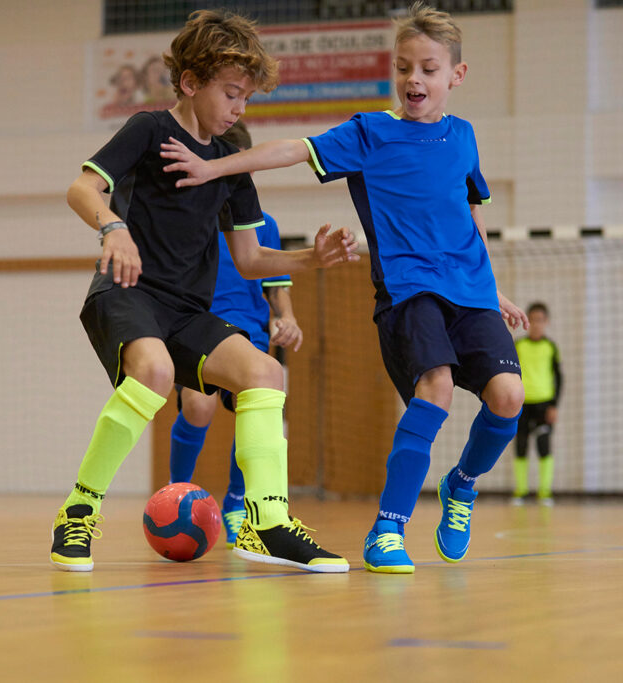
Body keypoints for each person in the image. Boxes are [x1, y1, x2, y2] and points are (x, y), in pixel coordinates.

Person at [160, 1, 528, 575]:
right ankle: (389, 529)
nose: (414, 79)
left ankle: (461, 485)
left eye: (428, 69)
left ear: (455, 76)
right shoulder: (370, 133)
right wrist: (216, 167)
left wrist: (494, 287)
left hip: (472, 290)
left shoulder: (464, 138)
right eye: (403, 67)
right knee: (436, 390)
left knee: (509, 398)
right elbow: (292, 150)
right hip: (409, 292)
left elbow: (471, 207)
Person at [56, 9, 358, 573]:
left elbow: (249, 259)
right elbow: (82, 188)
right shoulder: (148, 130)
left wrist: (311, 259)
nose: (240, 108)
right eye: (232, 93)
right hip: (127, 291)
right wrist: (112, 227)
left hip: (186, 311)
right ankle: (79, 510)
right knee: (154, 372)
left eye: (246, 97)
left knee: (267, 373)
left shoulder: (230, 165)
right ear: (191, 83)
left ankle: (267, 523)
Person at [168, 120, 301, 548]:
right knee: (199, 405)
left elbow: (276, 281)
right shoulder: (190, 218)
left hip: (250, 334)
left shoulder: (264, 223)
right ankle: (176, 493)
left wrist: (287, 317)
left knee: (260, 414)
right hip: (200, 328)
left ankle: (237, 503)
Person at [512, 302, 561, 506]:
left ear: (546, 322)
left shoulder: (550, 347)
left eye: (540, 319)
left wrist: (554, 405)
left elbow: (558, 378)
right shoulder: (518, 346)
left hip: (543, 404)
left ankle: (544, 492)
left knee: (543, 446)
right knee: (521, 445)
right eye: (532, 319)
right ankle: (521, 491)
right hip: (522, 404)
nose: (536, 324)